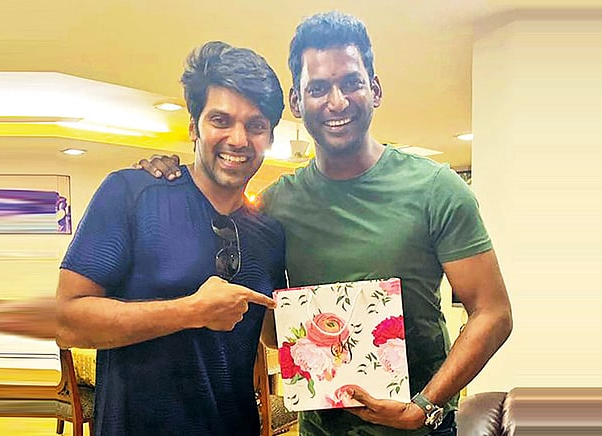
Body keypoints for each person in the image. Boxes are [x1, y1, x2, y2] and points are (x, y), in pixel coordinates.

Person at [136, 11, 513, 436]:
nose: (336, 101)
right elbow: (273, 333)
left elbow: (493, 312)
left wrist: (424, 405)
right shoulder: (272, 207)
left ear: (374, 90)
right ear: (297, 102)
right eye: (317, 88)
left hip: (419, 430)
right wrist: (166, 180)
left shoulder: (436, 189)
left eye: (350, 82)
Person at [55, 41, 286, 436]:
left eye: (256, 125)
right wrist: (192, 311)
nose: (238, 139)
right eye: (220, 120)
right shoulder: (132, 194)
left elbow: (270, 334)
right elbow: (66, 322)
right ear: (193, 126)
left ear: (270, 136)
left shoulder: (270, 233)